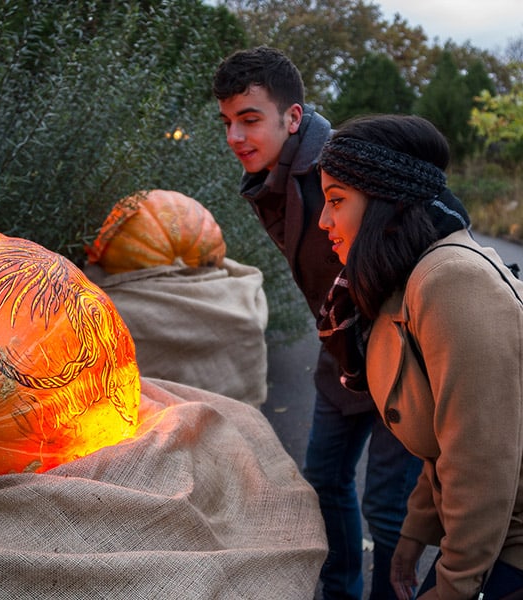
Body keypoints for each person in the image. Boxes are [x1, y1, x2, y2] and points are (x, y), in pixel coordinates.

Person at [213, 46, 423, 599]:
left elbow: (411, 250)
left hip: (395, 358)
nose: (235, 136)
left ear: (293, 117)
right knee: (325, 481)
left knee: (386, 504)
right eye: (228, 122)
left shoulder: (344, 167)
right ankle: (340, 592)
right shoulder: (276, 176)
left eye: (250, 119)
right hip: (340, 359)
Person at [316, 113, 523, 599]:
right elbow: (443, 444)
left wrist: (453, 588)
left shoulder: (449, 279)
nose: (325, 220)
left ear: (385, 203)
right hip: (490, 532)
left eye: (337, 201)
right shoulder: (403, 279)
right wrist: (414, 534)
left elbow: (481, 460)